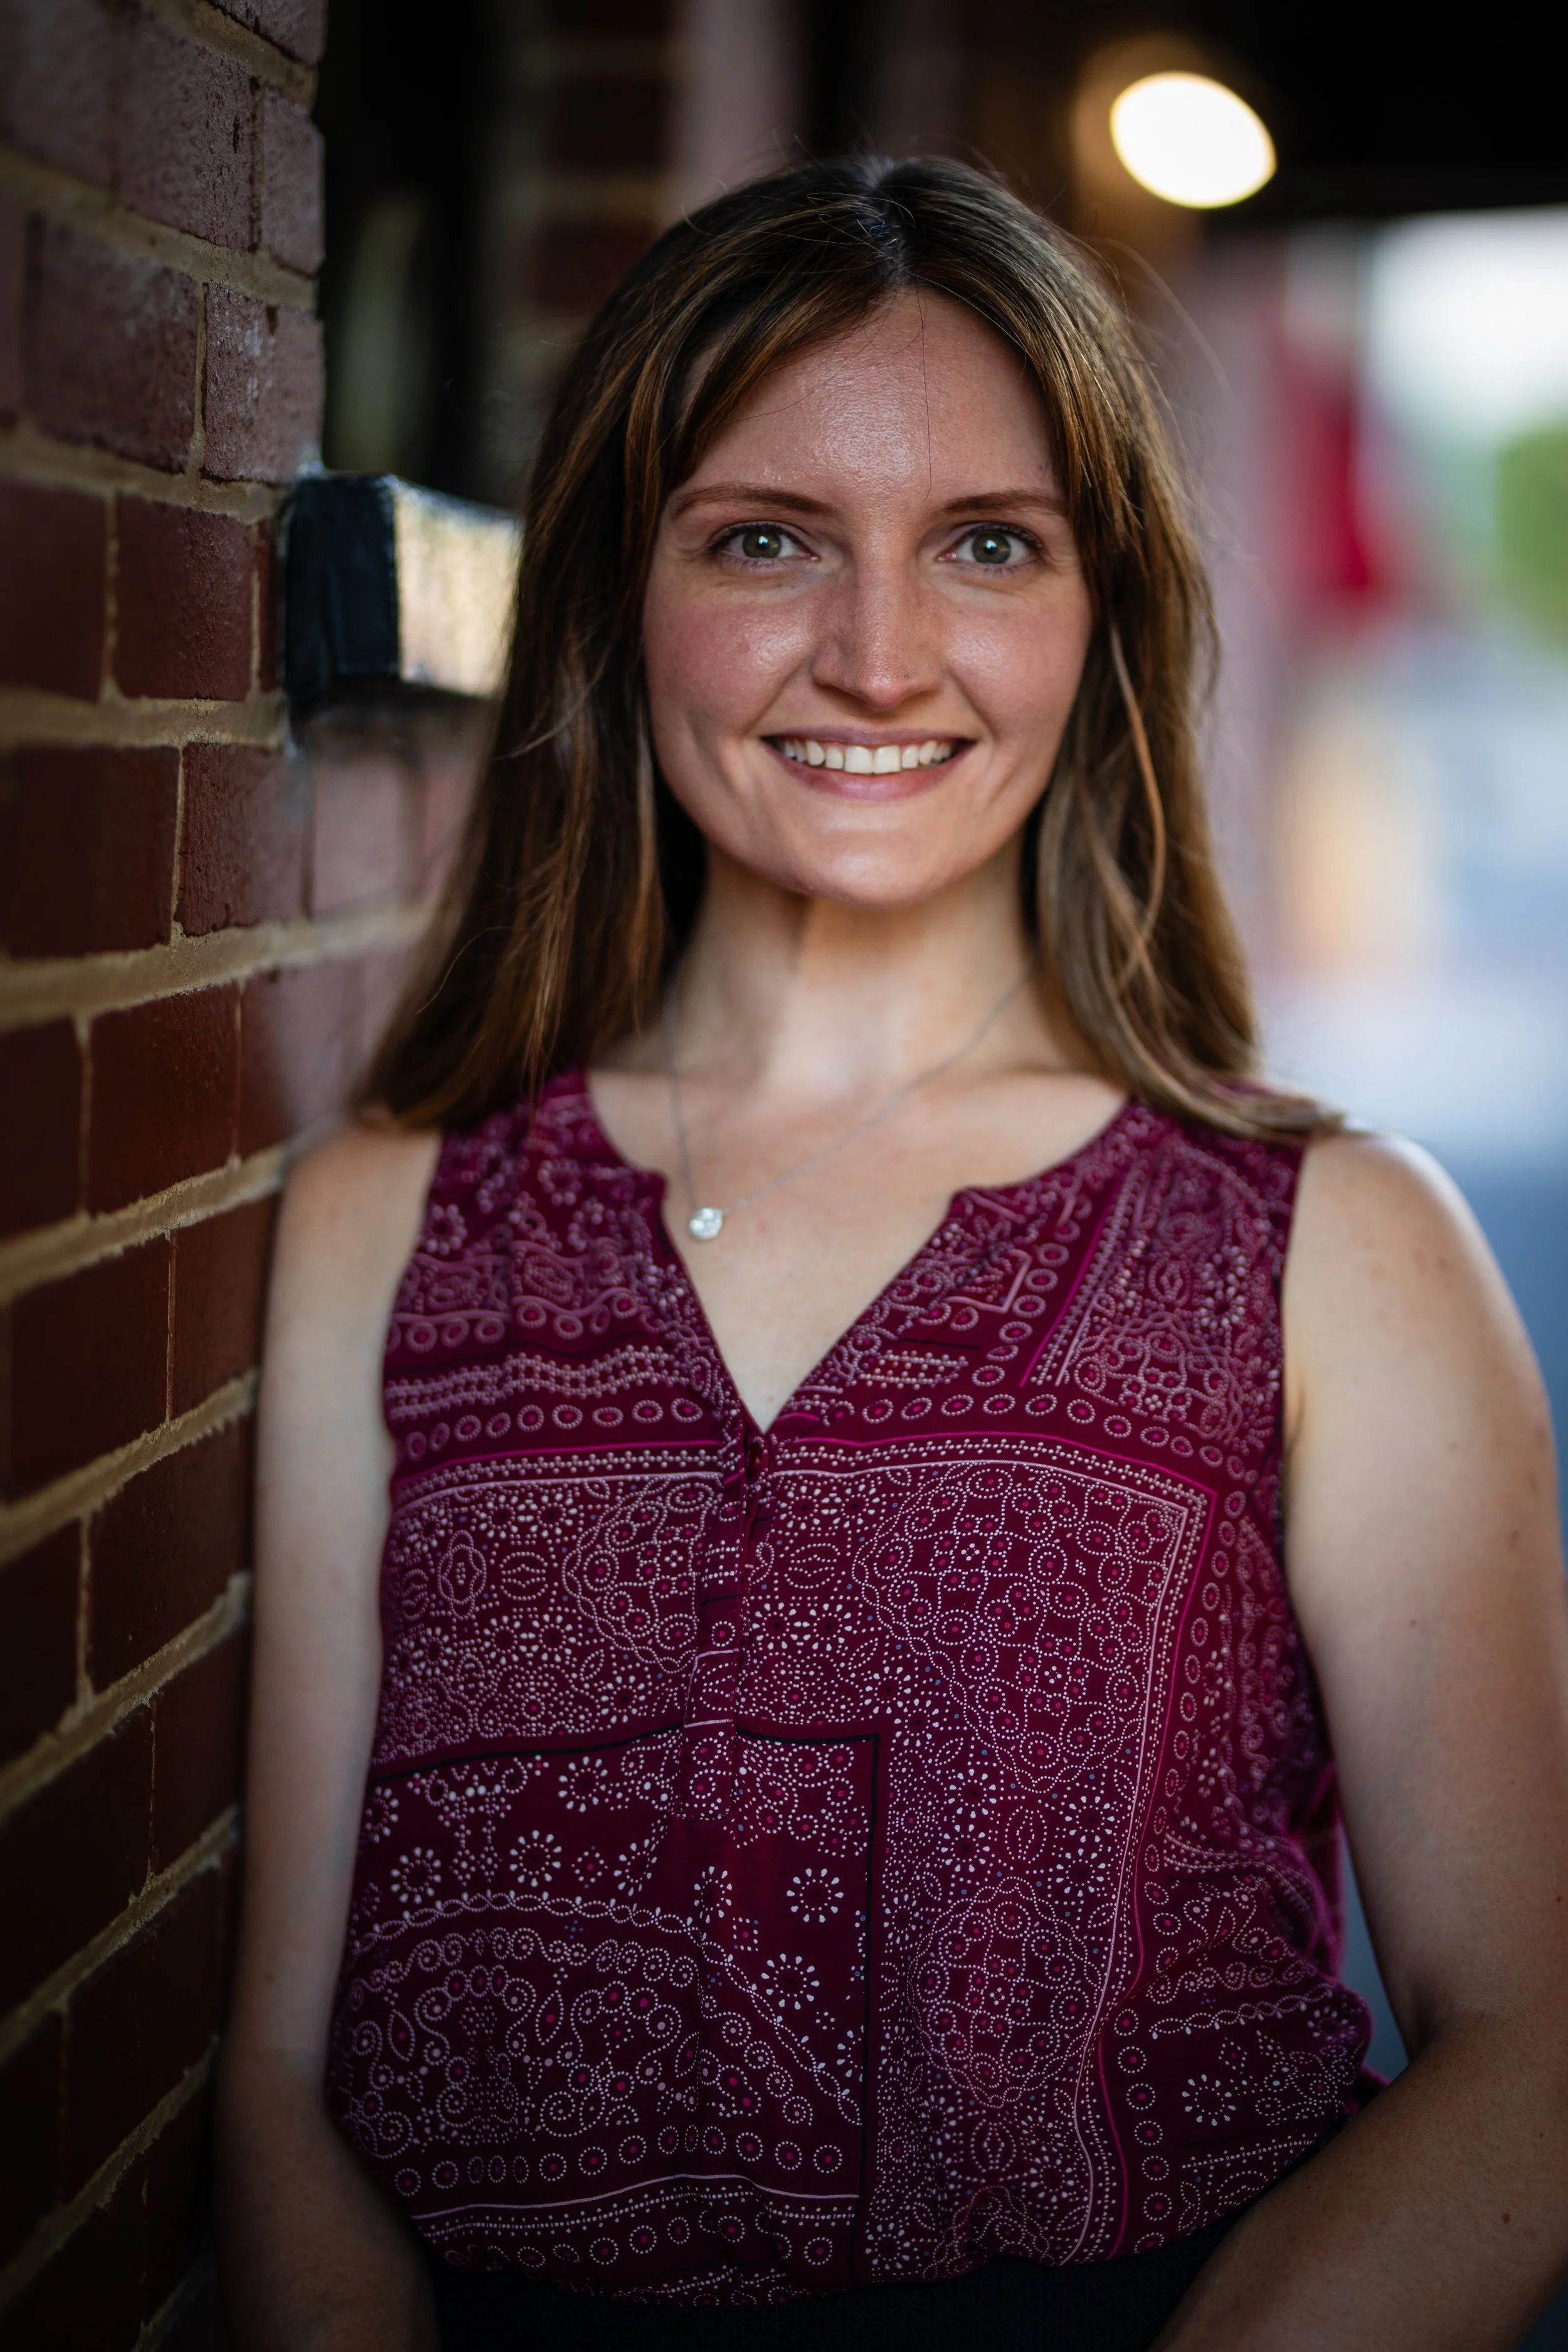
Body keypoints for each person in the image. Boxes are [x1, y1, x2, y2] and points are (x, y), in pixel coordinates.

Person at [216, 158, 1568, 2351]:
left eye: (986, 544)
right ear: (618, 594)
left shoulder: (1330, 1246)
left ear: (1101, 609)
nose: (875, 653)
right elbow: (282, 2074)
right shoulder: (396, 1218)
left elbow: (1528, 2046)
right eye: (764, 539)